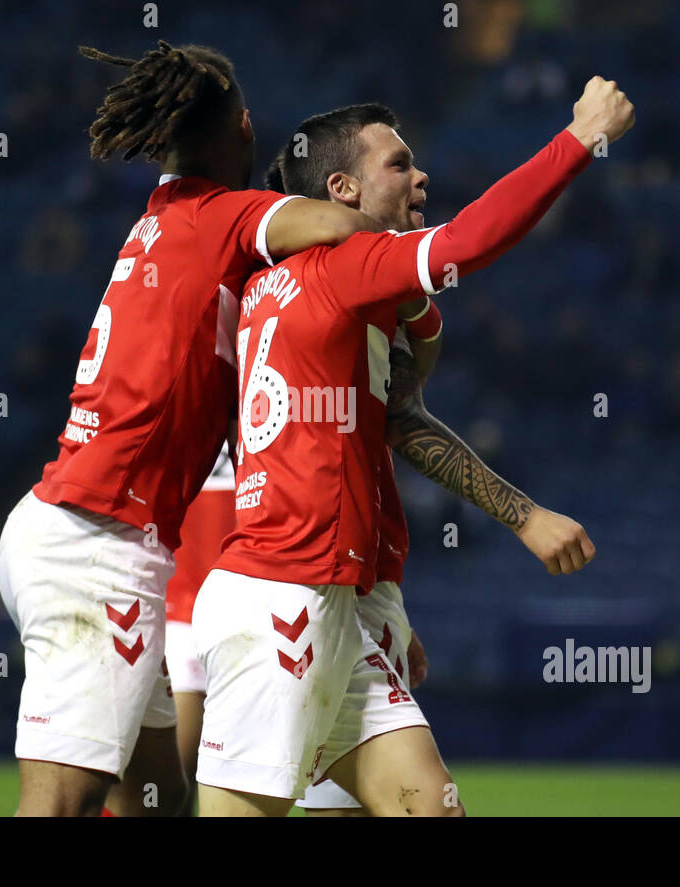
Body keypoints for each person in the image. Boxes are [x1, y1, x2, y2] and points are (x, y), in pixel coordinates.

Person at [193, 77, 634, 816]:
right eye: (398, 164)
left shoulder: (285, 287)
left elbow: (390, 419)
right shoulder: (342, 267)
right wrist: (582, 135)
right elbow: (469, 242)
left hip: (337, 600)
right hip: (282, 604)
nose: (421, 175)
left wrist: (384, 592)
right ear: (342, 189)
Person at [0, 40, 382, 817]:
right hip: (99, 549)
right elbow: (338, 227)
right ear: (242, 128)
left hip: (64, 524)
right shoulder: (224, 218)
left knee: (160, 798)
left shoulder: (157, 222)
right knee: (58, 809)